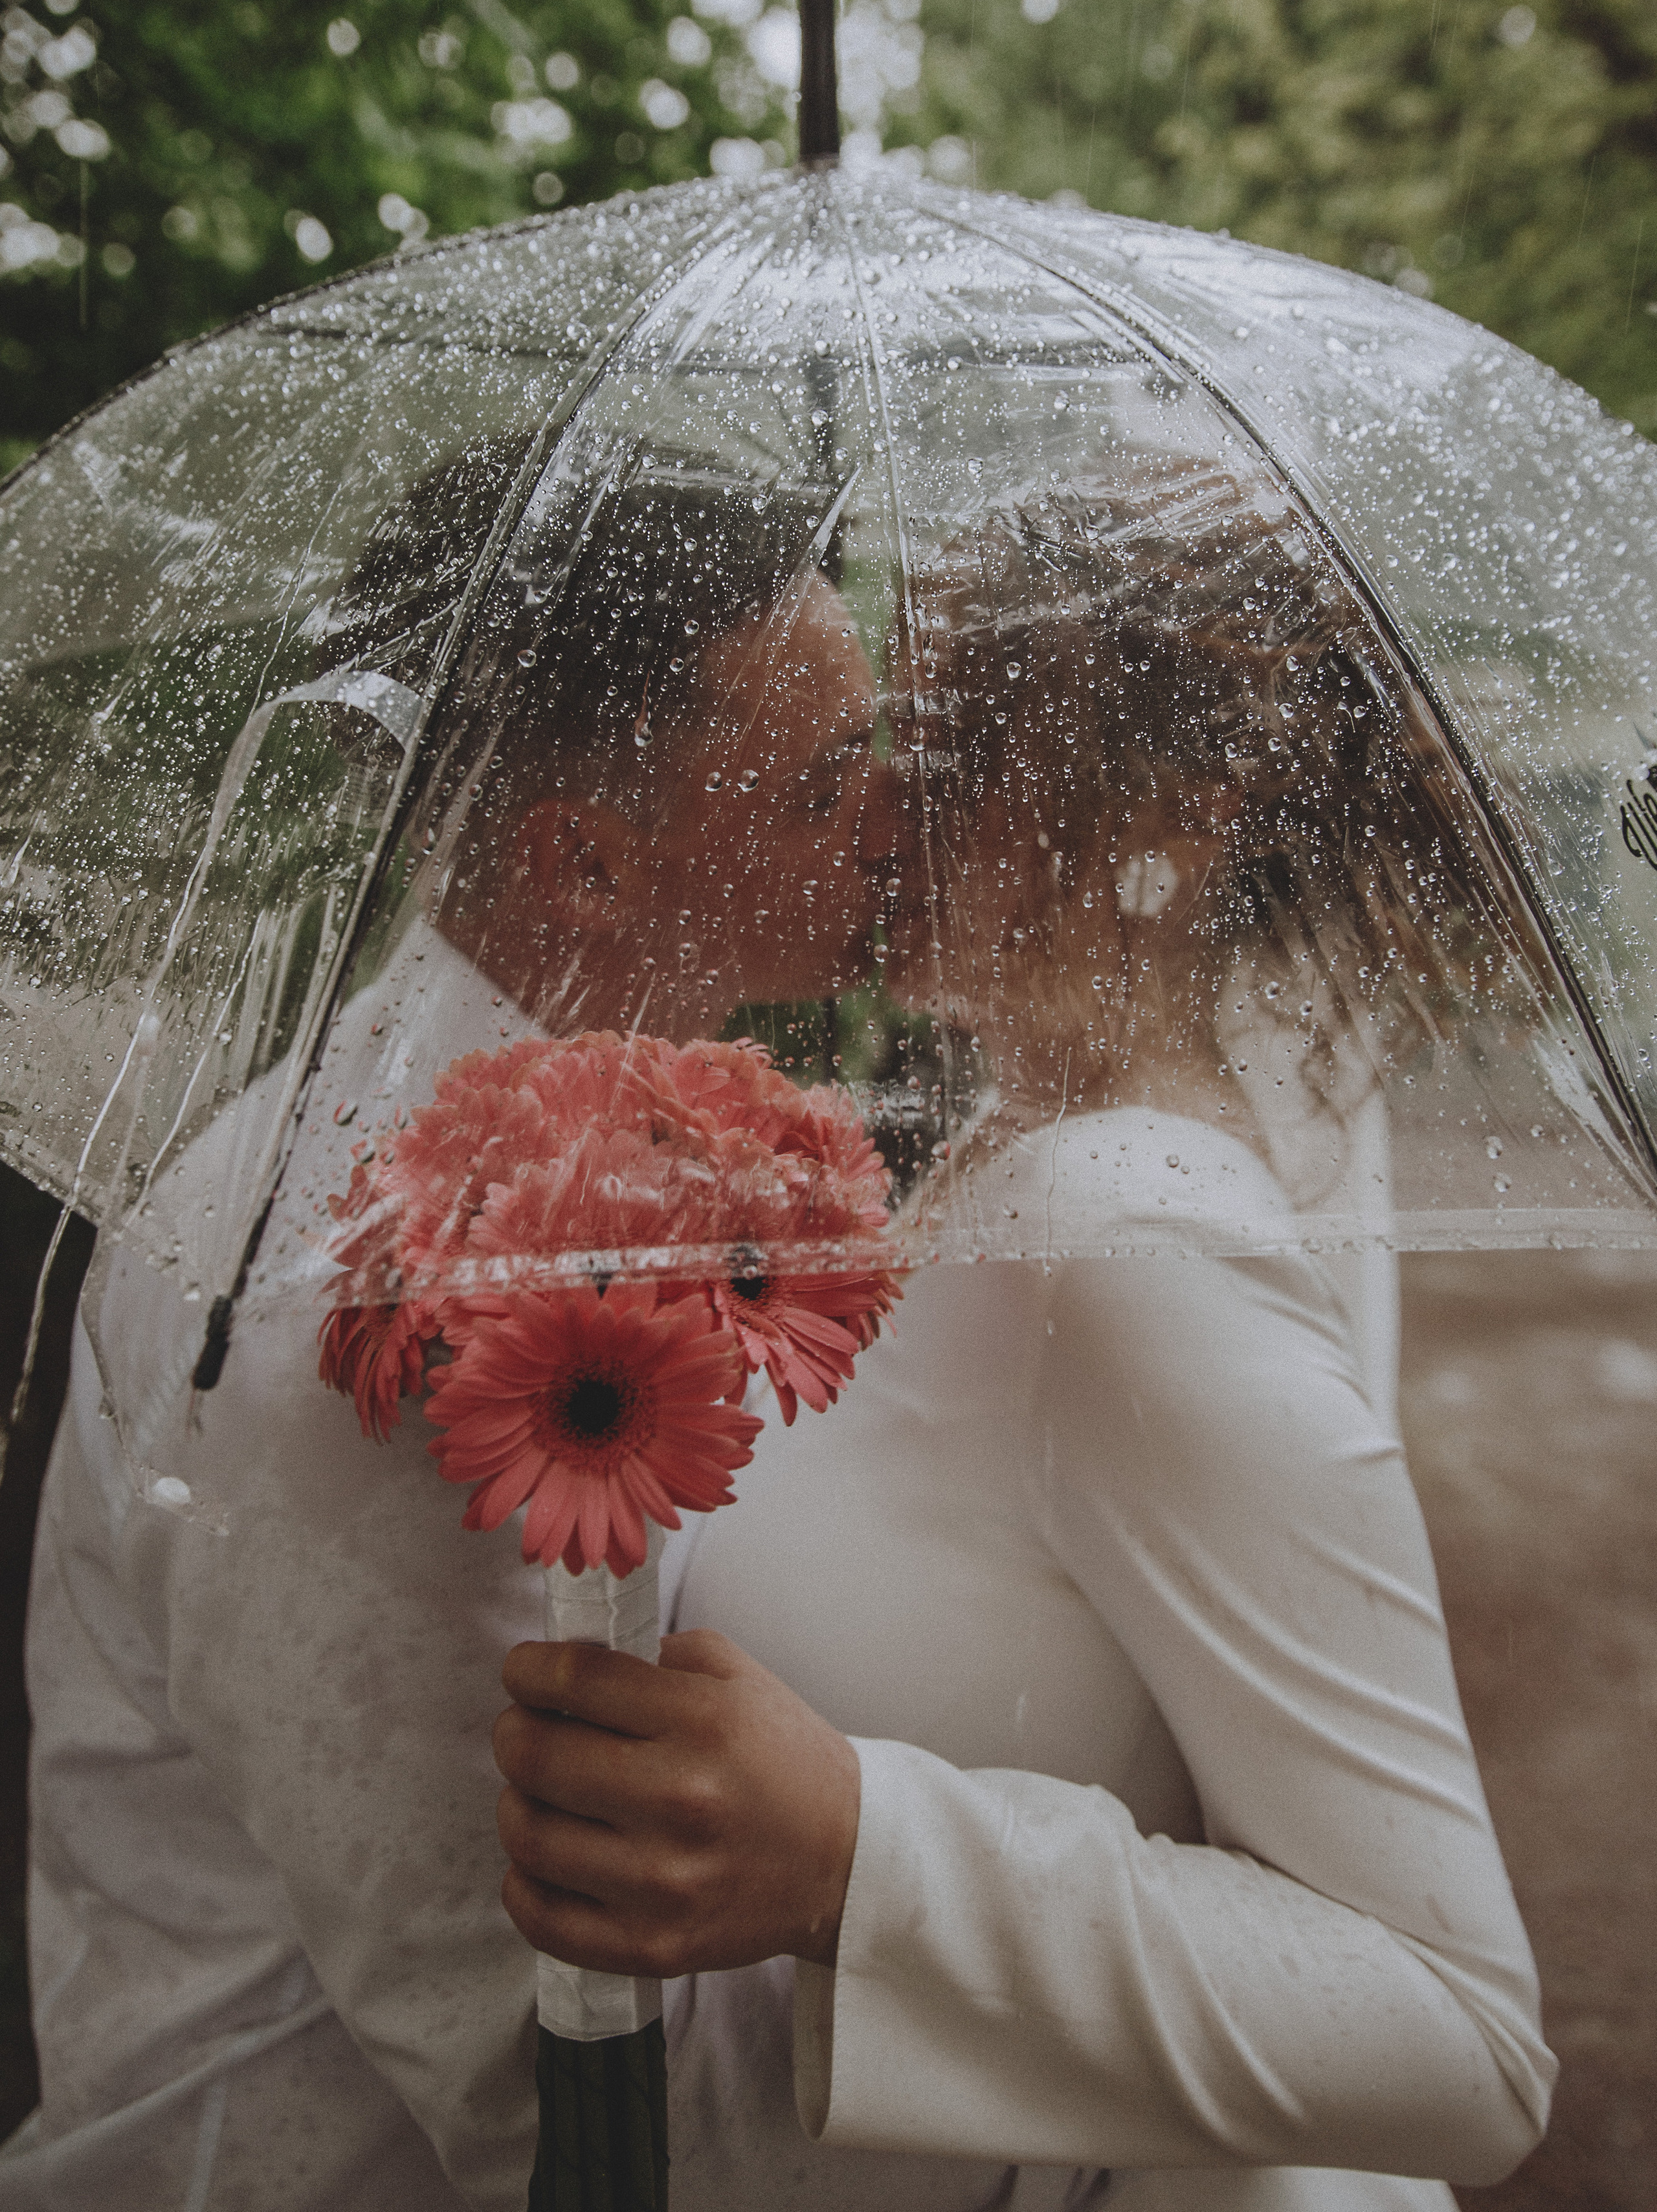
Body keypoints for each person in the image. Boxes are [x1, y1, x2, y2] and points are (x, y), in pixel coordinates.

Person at [489, 461, 1558, 2209]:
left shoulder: (1134, 1245)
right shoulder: (1015, 1155)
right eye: (895, 734)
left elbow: (1464, 2036)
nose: (885, 801)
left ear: (1182, 819)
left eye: (964, 744)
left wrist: (860, 1853)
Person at [1, 452, 896, 2210]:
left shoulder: (611, 1119)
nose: (893, 818)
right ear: (586, 863)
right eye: (822, 783)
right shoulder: (385, 1305)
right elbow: (561, 2097)